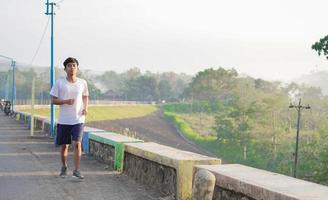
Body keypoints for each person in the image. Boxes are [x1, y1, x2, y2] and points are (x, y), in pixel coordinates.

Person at [50, 57, 89, 179]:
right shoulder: (59, 83)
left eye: (74, 65)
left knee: (77, 143)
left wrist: (86, 108)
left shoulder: (82, 82)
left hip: (78, 119)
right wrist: (65, 101)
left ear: (77, 68)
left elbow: (85, 96)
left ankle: (77, 170)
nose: (72, 68)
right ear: (65, 69)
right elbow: (53, 100)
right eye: (69, 66)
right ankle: (64, 166)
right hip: (64, 120)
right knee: (65, 145)